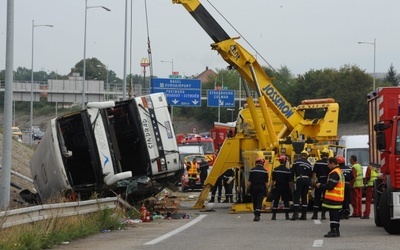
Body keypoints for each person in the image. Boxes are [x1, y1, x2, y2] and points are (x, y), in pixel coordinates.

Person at [316, 157, 344, 238]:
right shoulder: (339, 171)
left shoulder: (334, 173)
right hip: (339, 197)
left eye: (328, 164)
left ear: (332, 163)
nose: (327, 165)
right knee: (336, 215)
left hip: (334, 198)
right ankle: (336, 230)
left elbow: (330, 185)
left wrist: (320, 185)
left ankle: (333, 230)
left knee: (333, 215)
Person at [291, 150, 313, 220]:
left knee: (297, 196)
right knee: (304, 197)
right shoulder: (309, 164)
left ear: (301, 155)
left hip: (299, 179)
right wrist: (310, 183)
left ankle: (296, 214)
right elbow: (311, 174)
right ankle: (304, 215)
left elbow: (292, 172)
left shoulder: (296, 162)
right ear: (307, 156)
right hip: (306, 181)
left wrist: (291, 181)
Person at [311, 148, 330, 220]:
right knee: (325, 199)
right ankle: (323, 215)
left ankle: (315, 215)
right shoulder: (329, 163)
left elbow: (314, 174)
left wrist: (313, 182)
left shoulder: (318, 162)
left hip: (319, 181)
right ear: (328, 155)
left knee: (317, 198)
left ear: (321, 155)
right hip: (327, 182)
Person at [271, 155, 292, 220]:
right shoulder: (288, 171)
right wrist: (291, 189)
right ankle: (287, 216)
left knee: (276, 201)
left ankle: (274, 216)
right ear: (285, 162)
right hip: (285, 187)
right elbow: (290, 181)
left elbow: (273, 180)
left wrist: (271, 188)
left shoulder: (275, 170)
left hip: (277, 187)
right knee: (286, 201)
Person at [247, 157, 269, 221]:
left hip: (253, 188)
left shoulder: (252, 170)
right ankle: (257, 215)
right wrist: (267, 190)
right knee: (259, 201)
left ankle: (255, 213)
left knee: (254, 201)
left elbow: (249, 181)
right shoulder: (265, 171)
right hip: (261, 188)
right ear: (262, 163)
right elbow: (266, 182)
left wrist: (248, 188)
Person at [336, 155, 353, 219]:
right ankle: (347, 213)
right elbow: (352, 177)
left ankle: (341, 213)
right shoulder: (349, 168)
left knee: (340, 199)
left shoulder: (337, 169)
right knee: (347, 199)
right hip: (347, 185)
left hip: (340, 185)